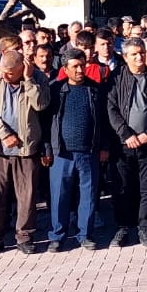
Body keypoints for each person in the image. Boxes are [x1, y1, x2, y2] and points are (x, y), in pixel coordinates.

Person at [0, 51, 51, 255]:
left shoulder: (36, 78)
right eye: (2, 71)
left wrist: (28, 81)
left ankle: (25, 237)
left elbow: (41, 104)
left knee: (27, 197)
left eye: (10, 73)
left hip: (26, 147)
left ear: (23, 68)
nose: (4, 76)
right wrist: (3, 134)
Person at [47, 49, 108, 251]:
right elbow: (46, 122)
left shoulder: (96, 90)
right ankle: (57, 235)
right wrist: (47, 149)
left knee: (88, 195)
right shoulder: (55, 90)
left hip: (88, 151)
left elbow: (104, 121)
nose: (80, 70)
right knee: (59, 196)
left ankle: (85, 234)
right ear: (65, 69)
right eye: (75, 66)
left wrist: (104, 146)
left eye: (83, 65)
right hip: (61, 153)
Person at [106, 36, 147, 247]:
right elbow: (111, 108)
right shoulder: (117, 77)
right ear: (125, 57)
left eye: (142, 53)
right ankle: (123, 227)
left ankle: (144, 227)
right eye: (135, 54)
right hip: (123, 144)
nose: (140, 57)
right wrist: (126, 134)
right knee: (123, 186)